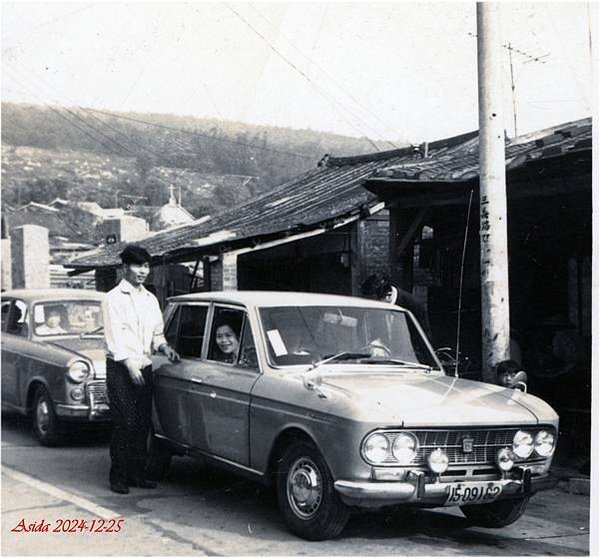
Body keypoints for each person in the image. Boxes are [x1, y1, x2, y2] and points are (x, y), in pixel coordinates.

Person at [102, 244, 180, 495]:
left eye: (146, 266)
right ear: (125, 268)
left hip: (144, 366)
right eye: (137, 265)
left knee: (142, 423)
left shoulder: (150, 299)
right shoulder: (113, 298)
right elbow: (115, 339)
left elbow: (157, 334)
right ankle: (118, 476)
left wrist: (165, 347)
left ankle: (137, 473)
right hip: (120, 367)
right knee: (124, 421)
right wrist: (129, 364)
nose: (143, 271)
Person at [360, 274, 433, 341]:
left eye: (376, 302)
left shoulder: (415, 305)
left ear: (387, 296)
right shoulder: (377, 306)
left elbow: (425, 338)